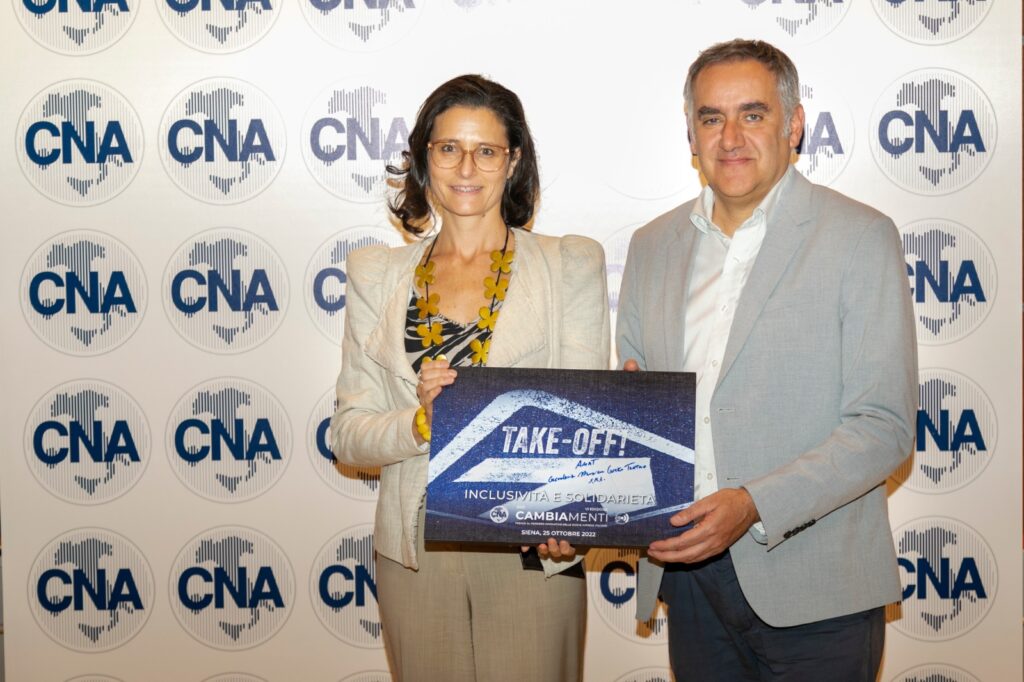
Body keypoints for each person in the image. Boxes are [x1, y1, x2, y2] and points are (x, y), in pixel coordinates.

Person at [616, 39, 917, 681]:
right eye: (711, 117)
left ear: (794, 124)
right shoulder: (651, 246)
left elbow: (883, 427)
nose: (730, 138)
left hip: (819, 585)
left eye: (752, 114)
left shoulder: (860, 237)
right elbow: (635, 407)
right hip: (689, 583)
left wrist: (753, 502)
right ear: (691, 133)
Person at [331, 74, 609, 682]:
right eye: (448, 148)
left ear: (513, 161)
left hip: (531, 544)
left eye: (486, 150)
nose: (466, 167)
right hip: (414, 552)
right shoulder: (376, 274)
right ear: (423, 158)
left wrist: (573, 520)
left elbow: (586, 425)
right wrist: (421, 423)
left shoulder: (569, 264)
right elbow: (348, 434)